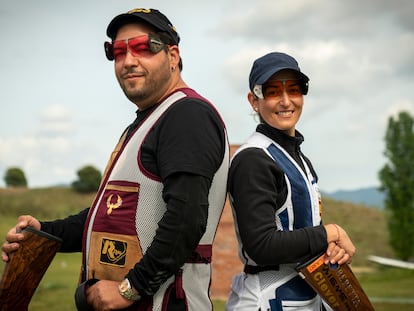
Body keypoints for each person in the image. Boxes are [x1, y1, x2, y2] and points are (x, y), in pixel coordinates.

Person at [2, 8, 229, 311]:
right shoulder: (150, 120)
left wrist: (130, 288)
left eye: (142, 47)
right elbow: (111, 213)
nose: (129, 60)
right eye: (117, 51)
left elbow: (186, 218)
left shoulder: (187, 115)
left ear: (173, 55)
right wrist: (44, 230)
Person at [225, 52, 356, 311]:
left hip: (304, 295)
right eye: (273, 92)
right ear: (254, 100)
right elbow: (261, 245)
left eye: (294, 90)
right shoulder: (254, 158)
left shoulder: (299, 158)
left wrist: (330, 248)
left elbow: (303, 231)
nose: (286, 101)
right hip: (267, 297)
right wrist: (331, 232)